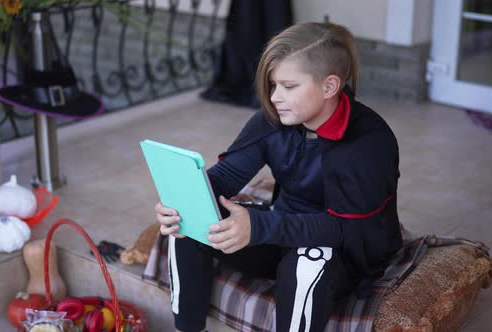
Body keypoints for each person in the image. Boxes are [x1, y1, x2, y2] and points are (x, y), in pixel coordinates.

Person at [155, 22, 403, 332]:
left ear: (329, 86)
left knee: (306, 262)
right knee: (189, 223)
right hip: (283, 231)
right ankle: (188, 327)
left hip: (345, 252)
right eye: (273, 85)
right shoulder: (275, 119)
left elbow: (343, 229)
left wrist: (258, 225)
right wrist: (184, 200)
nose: (274, 97)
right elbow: (228, 175)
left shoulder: (369, 142)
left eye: (288, 86)